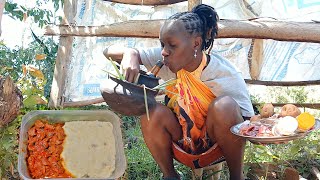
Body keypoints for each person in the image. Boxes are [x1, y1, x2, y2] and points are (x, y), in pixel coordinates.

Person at [104, 4, 254, 180]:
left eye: (172, 45)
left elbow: (246, 124)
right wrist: (131, 53)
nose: (164, 52)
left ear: (196, 43)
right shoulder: (167, 61)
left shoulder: (223, 74)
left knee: (225, 106)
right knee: (151, 113)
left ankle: (237, 177)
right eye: (162, 45)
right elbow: (107, 51)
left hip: (216, 146)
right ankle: (170, 176)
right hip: (181, 143)